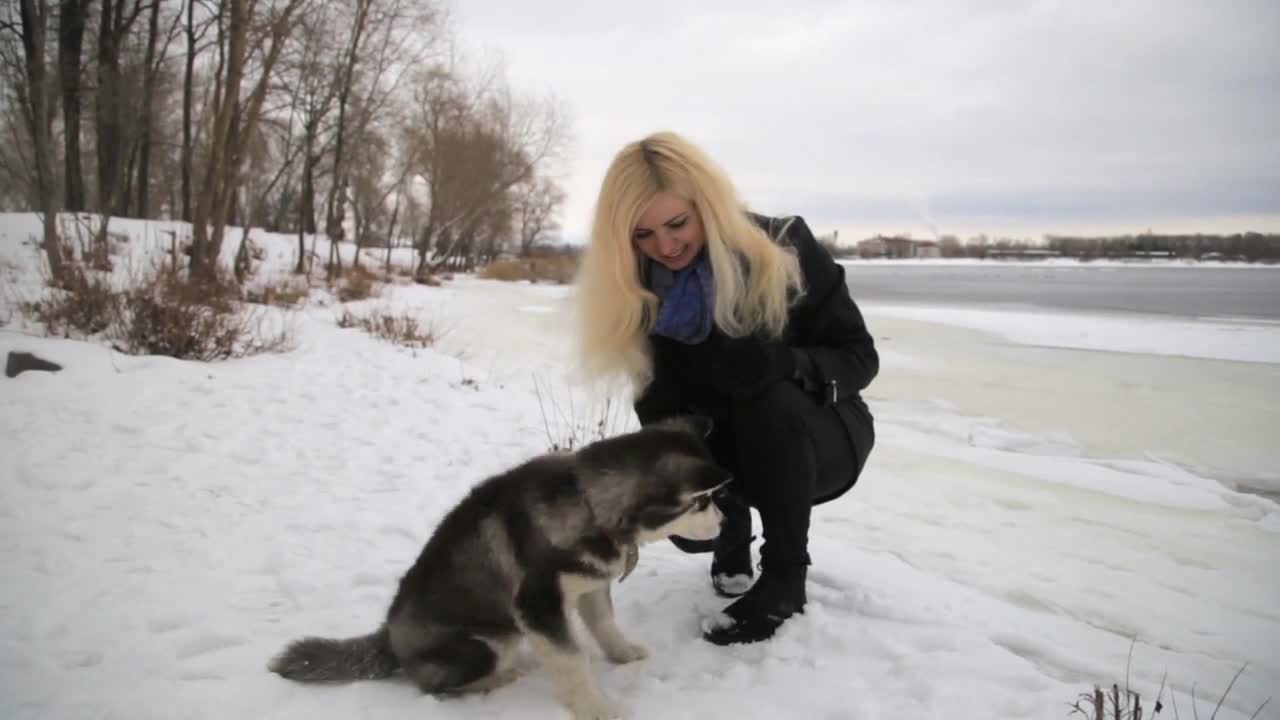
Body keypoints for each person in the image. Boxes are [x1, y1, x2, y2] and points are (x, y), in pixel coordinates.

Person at [574, 130, 878, 645]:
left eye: (677, 223)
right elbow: (658, 408)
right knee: (658, 402)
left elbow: (859, 357)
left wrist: (788, 361)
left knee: (770, 398)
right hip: (719, 441)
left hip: (813, 434)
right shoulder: (639, 288)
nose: (665, 246)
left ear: (707, 205)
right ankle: (730, 530)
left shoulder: (782, 245)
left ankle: (785, 576)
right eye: (642, 236)